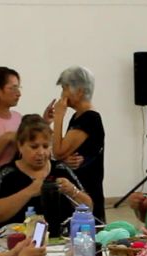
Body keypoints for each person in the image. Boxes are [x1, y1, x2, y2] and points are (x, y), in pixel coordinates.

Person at [0, 67, 54, 234]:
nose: (18, 93)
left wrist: (44, 122)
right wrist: (6, 138)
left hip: (24, 181)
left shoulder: (18, 117)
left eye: (19, 88)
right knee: (2, 233)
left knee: (31, 230)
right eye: (13, 87)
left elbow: (29, 143)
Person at [0, 115, 93, 236]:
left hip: (61, 241)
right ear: (20, 146)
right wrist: (29, 191)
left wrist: (72, 191)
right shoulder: (8, 173)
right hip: (21, 244)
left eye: (45, 146)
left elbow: (89, 207)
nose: (41, 152)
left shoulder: (60, 169)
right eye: (34, 147)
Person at [52, 66, 106, 223]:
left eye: (65, 88)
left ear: (80, 91)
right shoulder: (78, 116)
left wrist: (58, 117)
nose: (62, 94)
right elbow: (62, 152)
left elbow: (58, 151)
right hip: (75, 182)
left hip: (87, 186)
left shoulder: (89, 118)